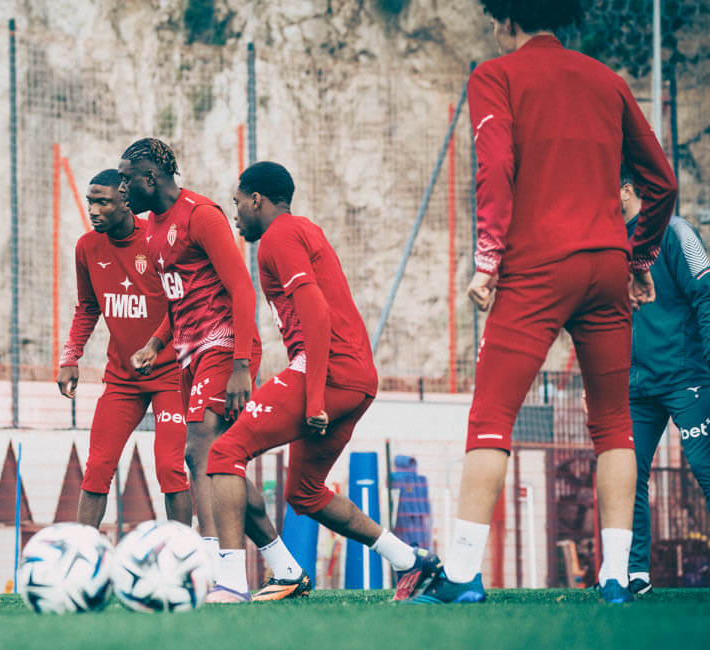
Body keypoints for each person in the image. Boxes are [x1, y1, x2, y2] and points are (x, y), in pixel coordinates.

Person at [411, 0, 676, 605]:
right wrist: (638, 259)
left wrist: (487, 259)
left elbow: (496, 164)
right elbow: (661, 182)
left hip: (537, 266)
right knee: (614, 425)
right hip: (607, 263)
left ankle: (461, 577)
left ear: (505, 20)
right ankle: (616, 579)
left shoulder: (495, 75)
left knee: (491, 418)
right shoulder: (607, 81)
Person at [205, 162, 441, 603]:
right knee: (305, 493)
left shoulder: (279, 236)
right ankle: (411, 562)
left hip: (330, 374)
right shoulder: (300, 231)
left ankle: (231, 582)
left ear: (257, 199)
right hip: (355, 379)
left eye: (237, 203)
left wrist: (314, 398)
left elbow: (315, 312)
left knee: (223, 453)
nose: (235, 215)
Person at [120, 138, 308, 600]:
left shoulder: (200, 215)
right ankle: (285, 568)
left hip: (225, 346)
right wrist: (157, 342)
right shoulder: (152, 229)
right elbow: (182, 297)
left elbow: (241, 290)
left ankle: (218, 573)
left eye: (127, 177)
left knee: (200, 447)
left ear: (150, 178)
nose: (122, 187)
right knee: (224, 465)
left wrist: (242, 364)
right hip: (189, 352)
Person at [57, 170, 193, 528]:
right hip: (122, 378)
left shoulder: (157, 239)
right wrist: (70, 355)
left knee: (169, 466)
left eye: (103, 202)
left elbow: (182, 304)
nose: (94, 210)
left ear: (125, 201)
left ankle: (183, 556)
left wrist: (156, 346)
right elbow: (88, 306)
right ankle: (81, 559)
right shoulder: (87, 247)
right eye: (91, 201)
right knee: (98, 466)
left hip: (170, 375)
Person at [621, 167, 710, 596]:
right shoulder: (606, 243)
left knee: (707, 470)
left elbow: (707, 294)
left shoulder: (675, 233)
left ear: (624, 191)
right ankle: (634, 574)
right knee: (627, 475)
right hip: (635, 387)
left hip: (686, 377)